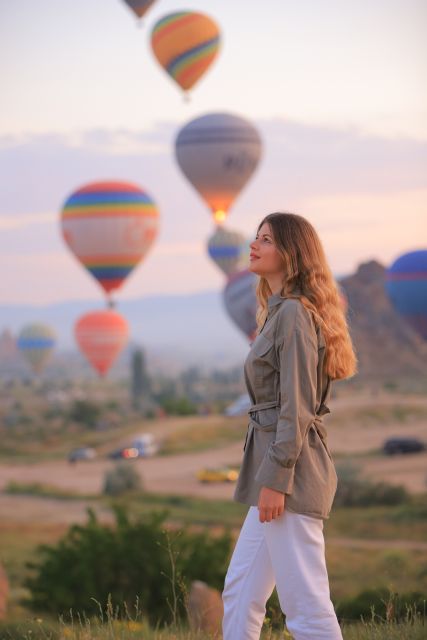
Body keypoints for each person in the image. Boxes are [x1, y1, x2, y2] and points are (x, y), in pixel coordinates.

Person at [222, 212, 357, 640]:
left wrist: (277, 480)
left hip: (289, 477)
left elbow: (295, 407)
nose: (254, 244)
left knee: (306, 608)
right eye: (255, 236)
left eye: (267, 239)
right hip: (273, 472)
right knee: (240, 591)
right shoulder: (276, 312)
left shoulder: (295, 315)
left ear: (292, 253)